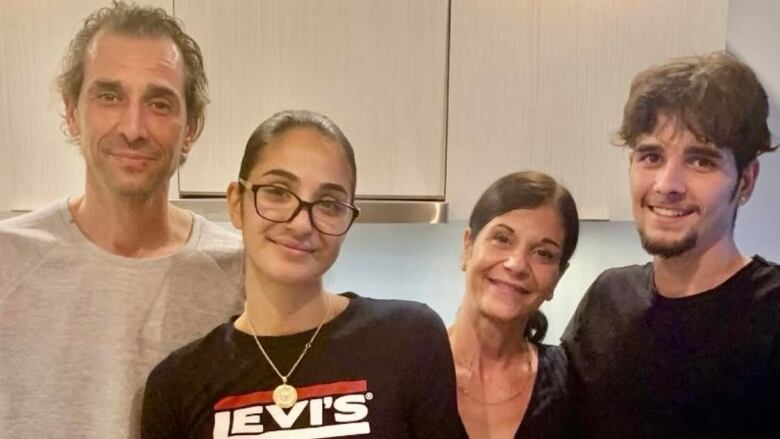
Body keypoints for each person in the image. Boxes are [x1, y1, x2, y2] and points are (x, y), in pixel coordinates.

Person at [141, 109, 467, 438]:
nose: (301, 224)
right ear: (237, 203)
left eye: (329, 203)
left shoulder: (409, 339)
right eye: (278, 192)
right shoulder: (178, 384)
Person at [0, 2, 243, 437]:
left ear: (191, 128)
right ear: (73, 113)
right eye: (109, 96)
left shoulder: (244, 277)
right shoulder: (8, 260)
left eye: (159, 102)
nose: (133, 127)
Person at [561, 51, 780, 438]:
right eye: (651, 156)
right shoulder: (607, 299)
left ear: (745, 181)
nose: (667, 185)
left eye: (701, 161)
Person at [448, 171, 579, 438]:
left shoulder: (569, 384)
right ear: (468, 247)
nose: (516, 264)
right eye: (502, 239)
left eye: (543, 253)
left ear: (558, 277)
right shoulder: (411, 367)